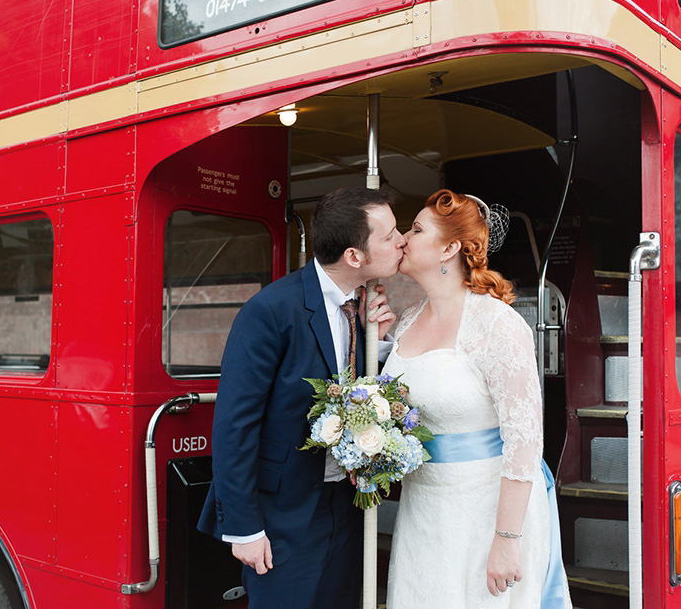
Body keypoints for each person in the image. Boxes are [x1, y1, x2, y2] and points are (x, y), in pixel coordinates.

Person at [198, 186, 405, 609]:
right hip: (281, 515)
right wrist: (244, 529)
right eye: (389, 235)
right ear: (354, 256)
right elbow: (235, 424)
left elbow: (351, 396)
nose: (401, 240)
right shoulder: (271, 310)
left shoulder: (362, 305)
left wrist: (377, 344)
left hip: (345, 506)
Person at [385, 189, 572, 608]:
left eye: (415, 230)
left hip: (485, 513)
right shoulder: (410, 318)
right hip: (423, 510)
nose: (402, 238)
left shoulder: (497, 325)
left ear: (449, 248)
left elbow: (524, 441)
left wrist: (506, 540)